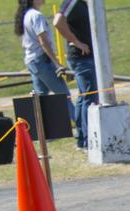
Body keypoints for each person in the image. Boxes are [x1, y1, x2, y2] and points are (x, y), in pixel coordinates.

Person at [52, 0, 95, 149]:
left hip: (85, 57)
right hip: (82, 57)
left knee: (84, 98)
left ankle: (83, 139)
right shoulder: (73, 2)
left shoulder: (82, 3)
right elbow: (57, 22)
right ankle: (88, 140)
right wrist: (77, 42)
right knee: (89, 97)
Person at [15, 0, 70, 98]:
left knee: (40, 100)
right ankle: (71, 114)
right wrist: (57, 64)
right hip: (42, 60)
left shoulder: (26, 15)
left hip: (32, 61)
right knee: (64, 96)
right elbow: (43, 41)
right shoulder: (36, 15)